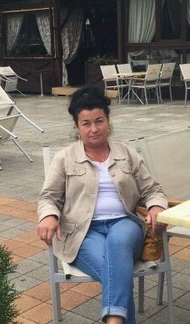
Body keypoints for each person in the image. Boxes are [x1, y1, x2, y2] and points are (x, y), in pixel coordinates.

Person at [37, 85, 167, 324]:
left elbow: (152, 190)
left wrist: (156, 207)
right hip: (82, 234)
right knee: (117, 273)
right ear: (77, 126)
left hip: (124, 224)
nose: (94, 129)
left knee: (118, 245)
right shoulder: (64, 158)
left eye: (99, 121)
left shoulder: (127, 153)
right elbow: (49, 198)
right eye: (86, 123)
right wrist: (48, 216)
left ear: (108, 121)